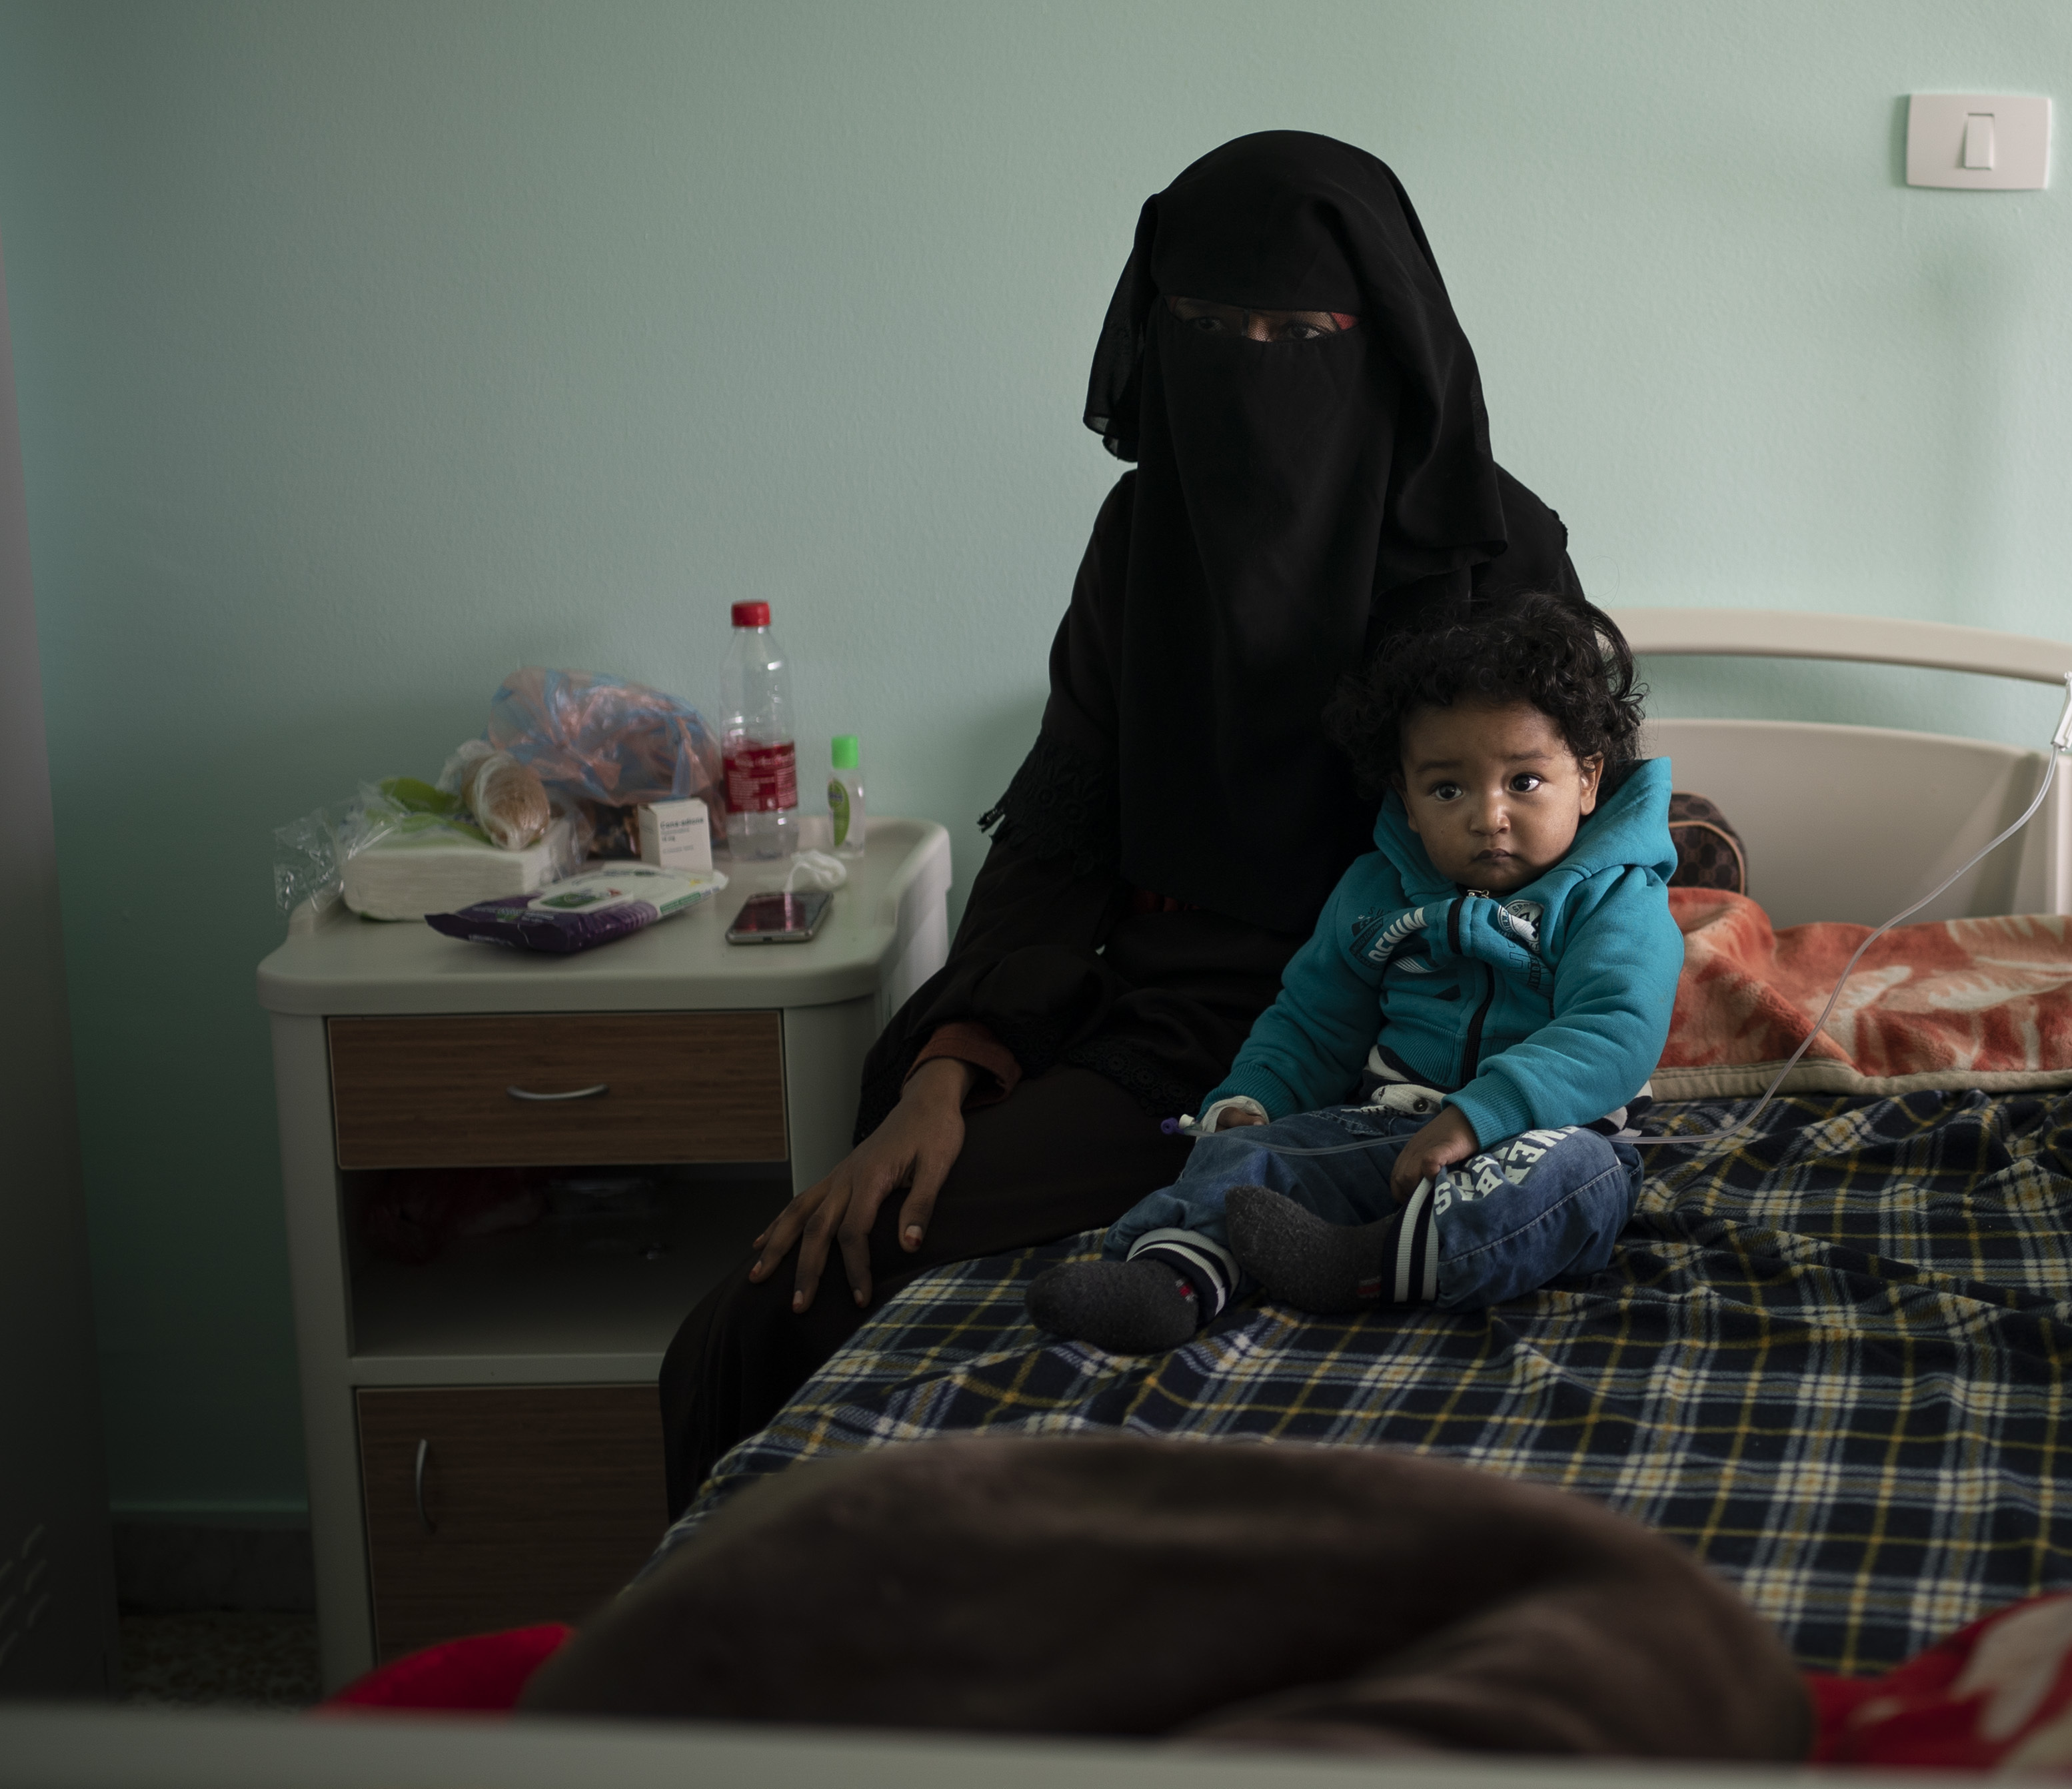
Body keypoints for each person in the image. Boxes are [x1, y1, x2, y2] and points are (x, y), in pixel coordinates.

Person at [656, 133, 1586, 1514]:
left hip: (1418, 1030)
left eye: (1299, 331)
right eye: (1210, 329)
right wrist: (949, 1070)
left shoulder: (1491, 547)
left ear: (1383, 335)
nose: (1251, 364)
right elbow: (1061, 823)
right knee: (764, 1309)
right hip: (1162, 1021)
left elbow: (1581, 810)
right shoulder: (1142, 541)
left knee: (811, 1285)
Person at [1024, 596, 1677, 1351]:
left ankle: (1363, 1265)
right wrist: (1254, 1097)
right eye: (1446, 789)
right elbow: (1313, 1019)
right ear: (1404, 799)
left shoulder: (1617, 896)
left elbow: (1614, 1027)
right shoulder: (1373, 894)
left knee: (1583, 1185)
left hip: (1538, 1139)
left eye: (1524, 781)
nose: (1487, 816)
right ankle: (1170, 1279)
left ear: (1589, 780)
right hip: (1389, 1133)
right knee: (1245, 1157)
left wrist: (1475, 1118)